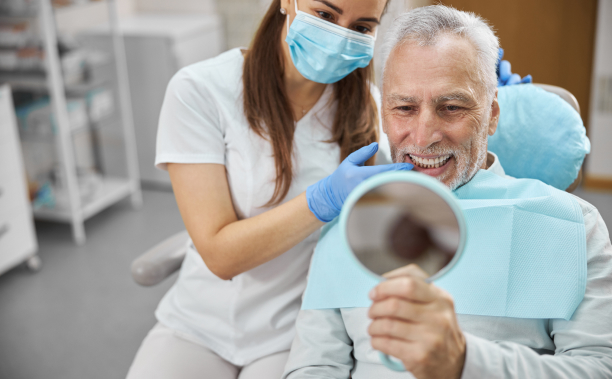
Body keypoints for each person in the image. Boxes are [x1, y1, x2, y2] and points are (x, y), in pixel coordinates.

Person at [126, 1, 528, 377]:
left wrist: (482, 97)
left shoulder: (374, 111)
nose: (340, 35)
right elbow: (219, 255)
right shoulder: (201, 90)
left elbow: (435, 168)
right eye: (325, 13)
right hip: (198, 322)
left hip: (295, 331)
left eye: (362, 26)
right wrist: (323, 200)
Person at [282, 5, 612, 379]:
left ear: (492, 115)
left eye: (451, 107)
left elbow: (598, 368)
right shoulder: (347, 225)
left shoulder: (572, 227)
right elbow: (312, 367)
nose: (423, 138)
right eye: (404, 108)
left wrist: (464, 361)